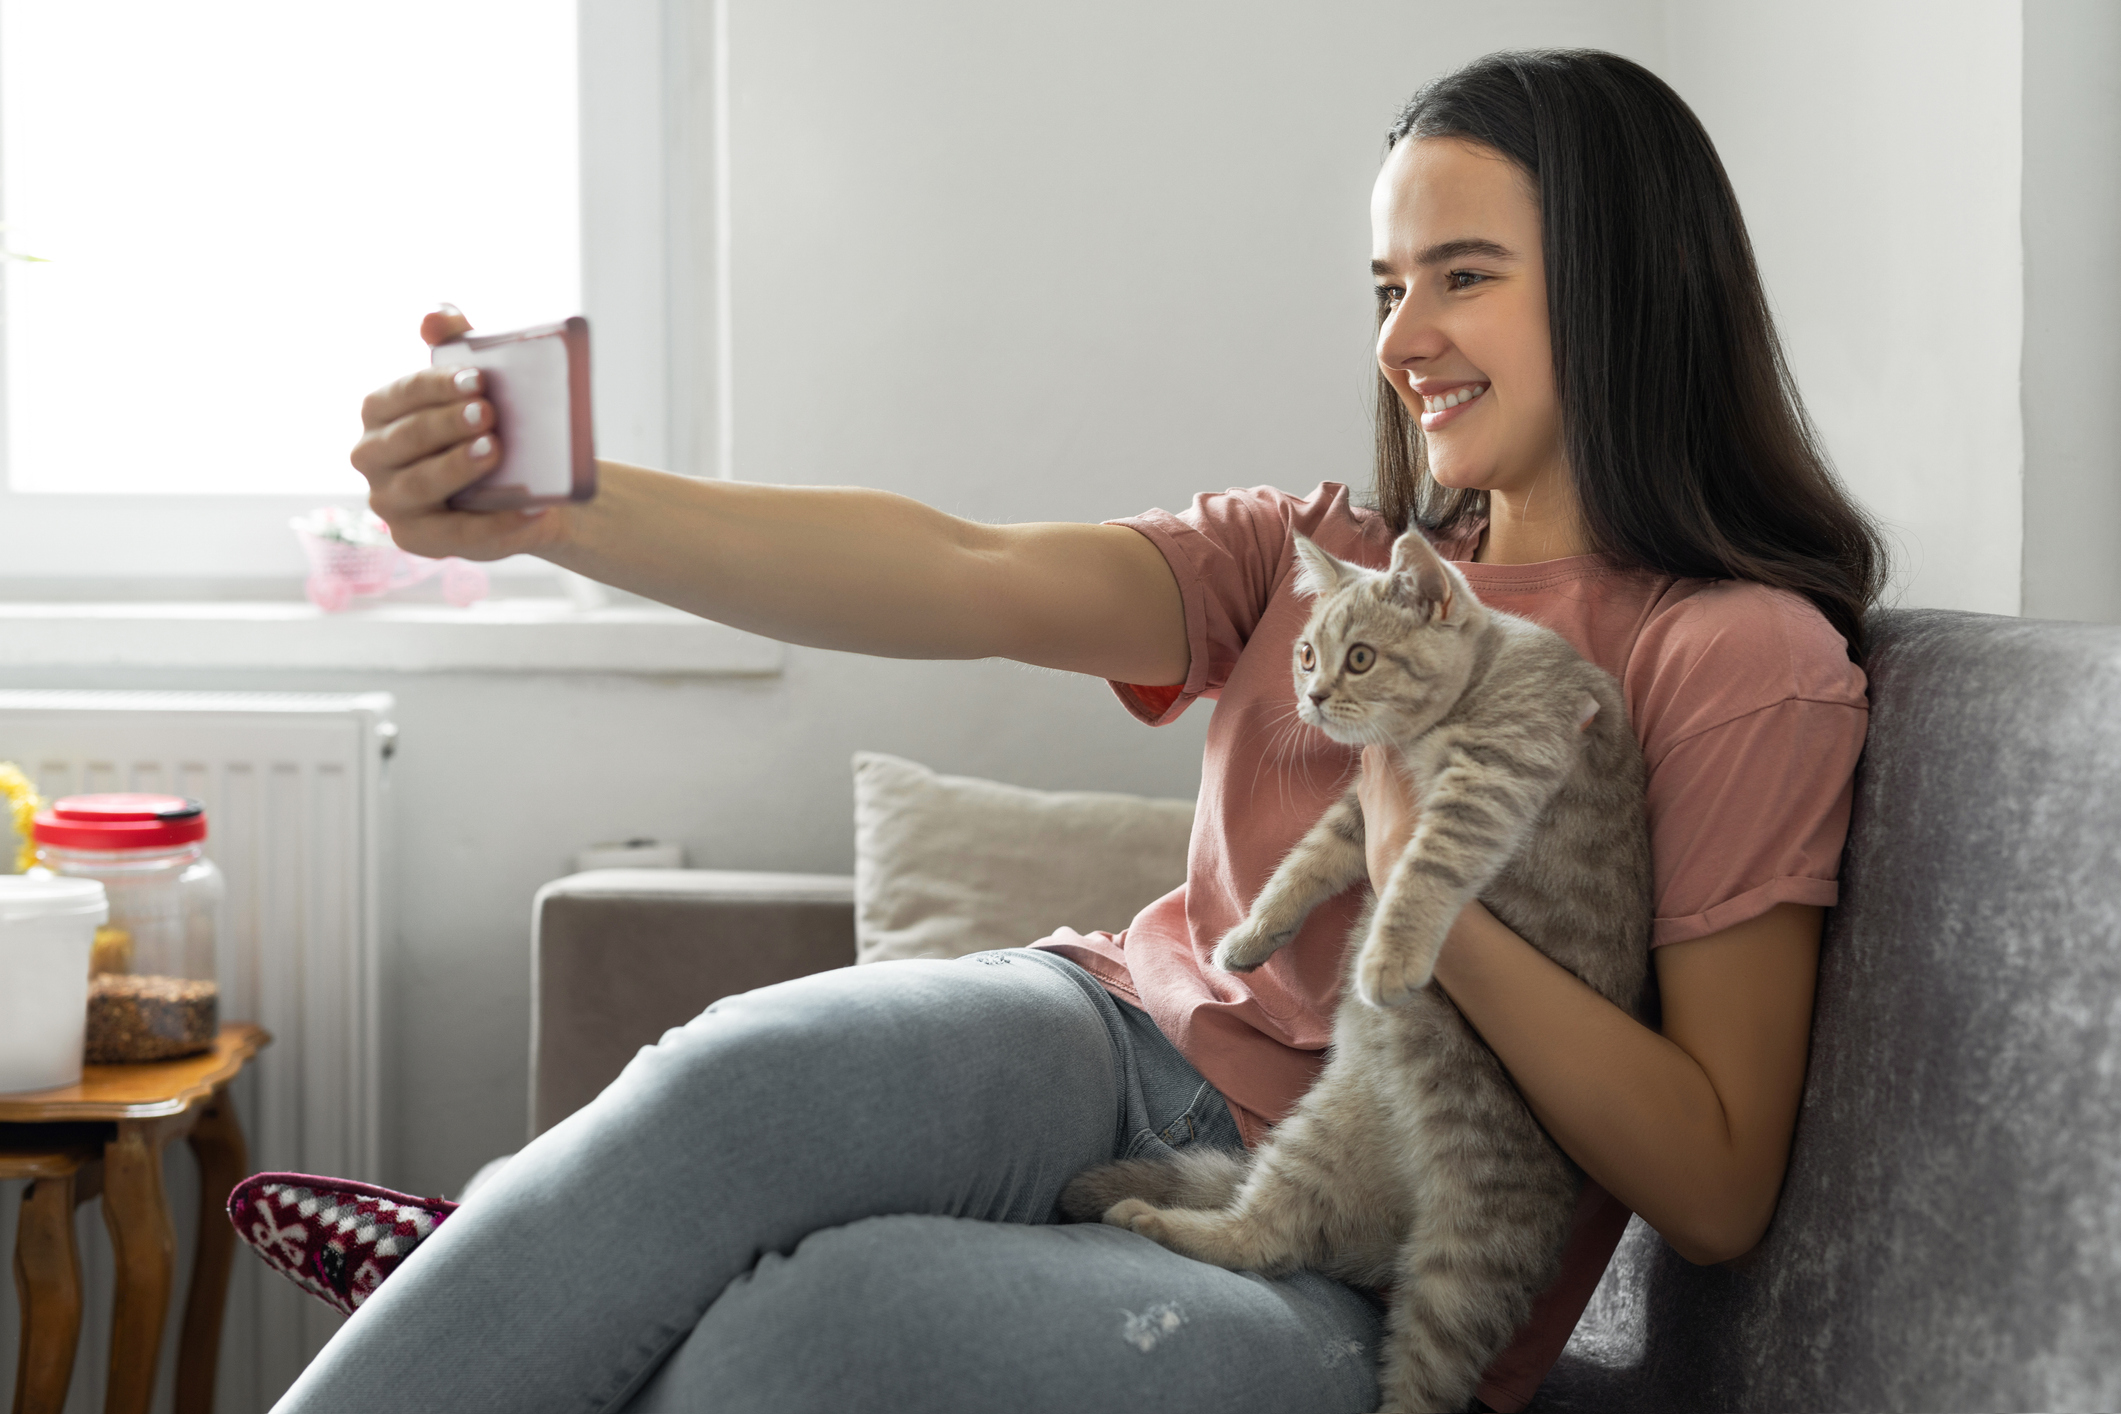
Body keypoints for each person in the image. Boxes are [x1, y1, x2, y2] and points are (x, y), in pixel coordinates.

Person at [285, 48, 1882, 1414]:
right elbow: (961, 569)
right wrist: (563, 517)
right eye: (1386, 288)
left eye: (1463, 275)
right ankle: (539, 1270)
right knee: (728, 1081)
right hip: (1105, 1032)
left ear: (1623, 281)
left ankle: (516, 1272)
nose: (1400, 341)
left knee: (820, 1336)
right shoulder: (1312, 560)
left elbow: (1718, 1175)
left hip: (1358, 1241)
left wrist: (1427, 898)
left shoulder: (1735, 657)